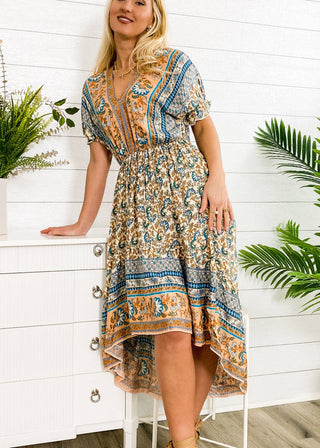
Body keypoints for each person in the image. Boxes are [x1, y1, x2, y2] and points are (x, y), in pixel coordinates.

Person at [41, 1, 247, 447]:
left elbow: (204, 127)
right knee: (170, 327)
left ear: (153, 16)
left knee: (206, 326)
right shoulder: (93, 89)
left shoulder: (174, 65)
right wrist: (81, 223)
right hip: (139, 213)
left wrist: (218, 179)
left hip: (196, 202)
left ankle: (180, 440)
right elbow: (99, 161)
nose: (127, 7)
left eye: (141, 2)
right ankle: (185, 440)